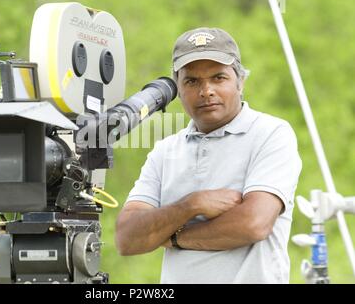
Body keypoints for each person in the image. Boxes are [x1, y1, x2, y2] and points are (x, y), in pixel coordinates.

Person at [115, 27, 302, 283]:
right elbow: (127, 238)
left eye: (218, 78)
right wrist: (192, 204)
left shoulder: (271, 133)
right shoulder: (164, 150)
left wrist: (172, 236)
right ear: (178, 89)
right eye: (192, 81)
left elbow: (254, 223)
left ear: (240, 81)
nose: (206, 91)